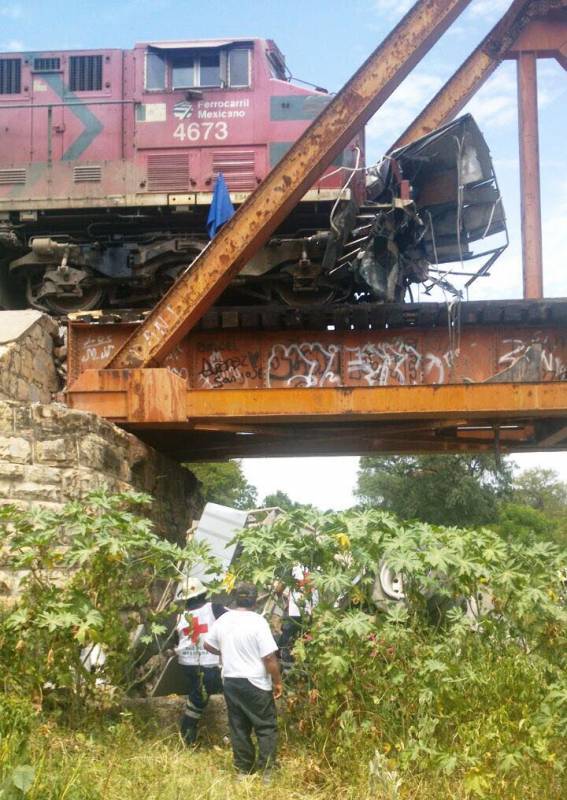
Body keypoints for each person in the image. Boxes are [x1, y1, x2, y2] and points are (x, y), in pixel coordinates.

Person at [204, 582, 282, 778]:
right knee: (265, 727)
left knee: (238, 726)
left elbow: (208, 645)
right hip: (255, 681)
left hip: (231, 680)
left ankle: (243, 770)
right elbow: (269, 658)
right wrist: (278, 681)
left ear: (235, 598)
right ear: (255, 600)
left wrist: (225, 651)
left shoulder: (223, 620)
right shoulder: (258, 622)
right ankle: (267, 772)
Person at [174, 577, 228, 745]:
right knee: (199, 697)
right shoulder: (214, 608)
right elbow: (234, 621)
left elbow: (177, 639)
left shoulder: (180, 616)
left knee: (199, 691)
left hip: (186, 663)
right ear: (203, 593)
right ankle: (187, 733)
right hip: (208, 662)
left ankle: (191, 733)